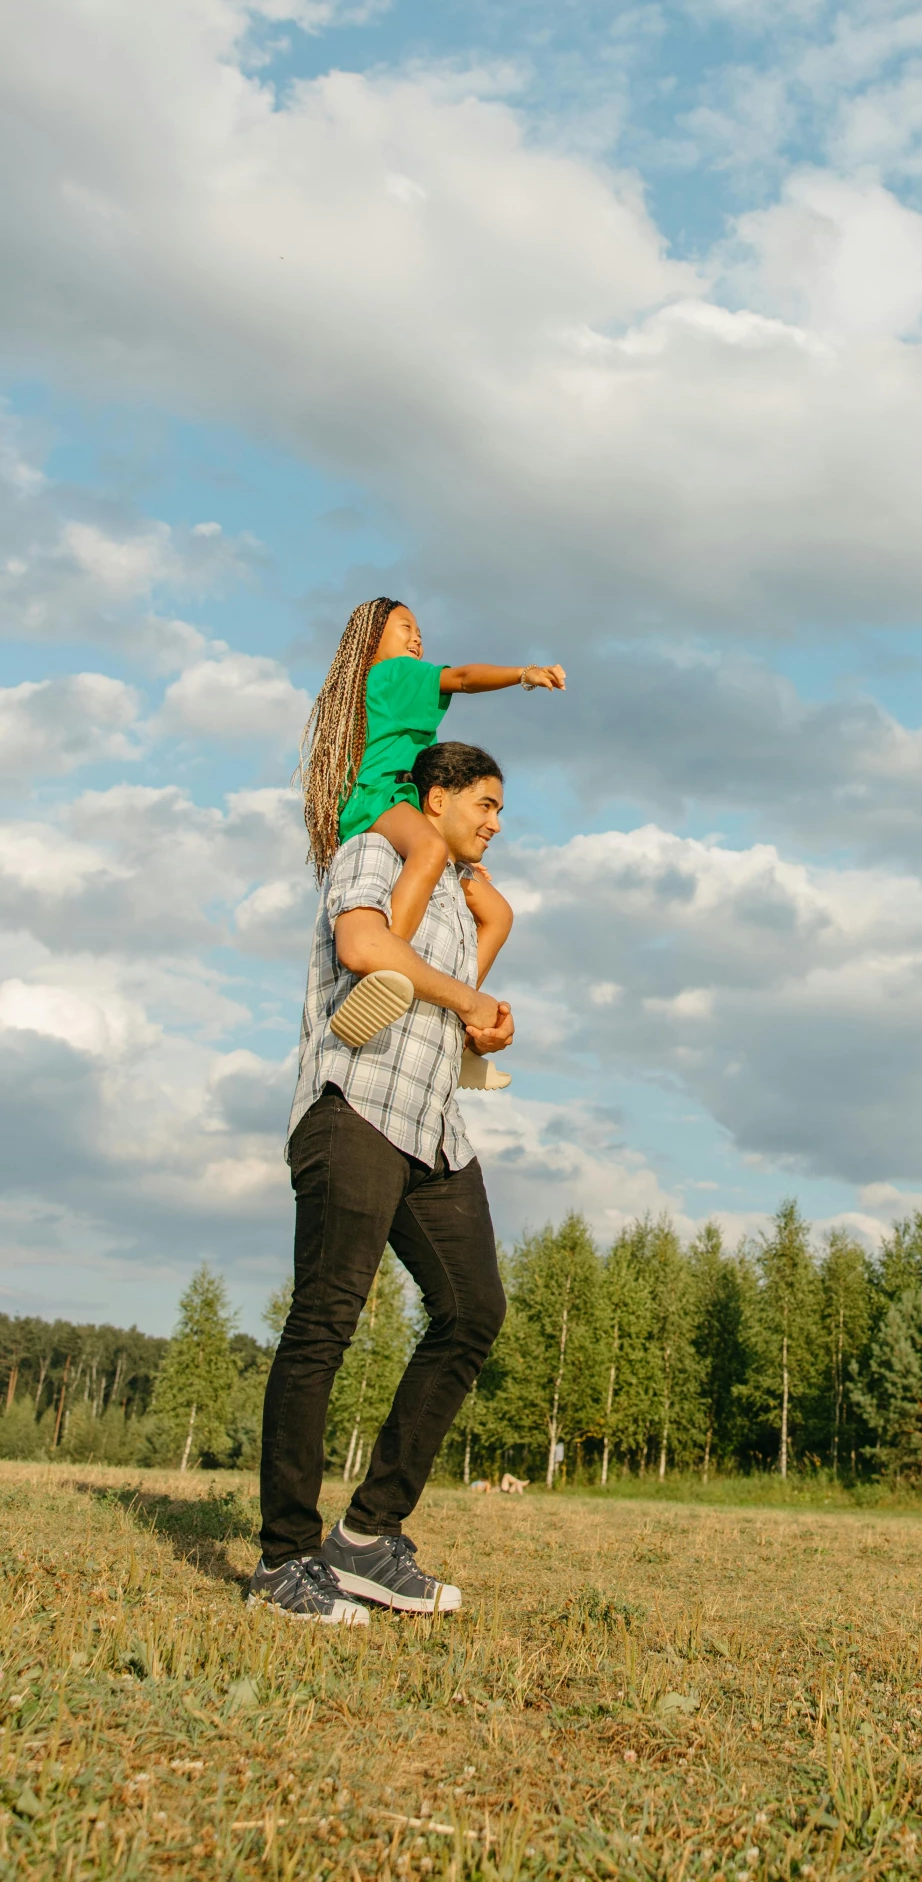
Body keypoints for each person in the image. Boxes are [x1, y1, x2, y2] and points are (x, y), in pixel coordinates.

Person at [249, 740, 517, 1624]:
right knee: (326, 1320)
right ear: (433, 797)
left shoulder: (453, 896)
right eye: (483, 802)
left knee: (472, 1311)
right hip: (354, 1103)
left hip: (433, 1126)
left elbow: (444, 996)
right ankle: (285, 1557)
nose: (494, 821)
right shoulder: (373, 848)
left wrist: (477, 1023)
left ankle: (366, 1538)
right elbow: (364, 946)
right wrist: (465, 998)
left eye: (499, 809)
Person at [297, 597, 562, 1041]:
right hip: (379, 797)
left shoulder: (389, 687)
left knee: (497, 912)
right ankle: (383, 970)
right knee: (431, 849)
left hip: (403, 801)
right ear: (370, 640)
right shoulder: (394, 674)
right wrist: (523, 674)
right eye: (405, 627)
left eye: (418, 630)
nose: (417, 637)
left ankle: (461, 1017)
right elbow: (460, 677)